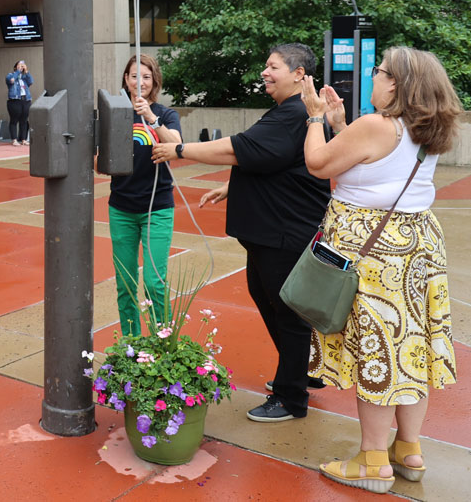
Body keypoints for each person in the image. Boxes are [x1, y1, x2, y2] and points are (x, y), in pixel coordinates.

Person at [298, 47, 460, 493]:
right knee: (411, 347)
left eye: (380, 71)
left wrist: (314, 118)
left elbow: (318, 164)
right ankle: (408, 449)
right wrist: (340, 126)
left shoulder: (377, 125)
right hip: (416, 246)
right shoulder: (425, 129)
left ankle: (372, 460)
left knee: (377, 349)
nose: (374, 76)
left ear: (397, 84)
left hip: (373, 256)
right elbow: (378, 167)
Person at [152, 43, 331, 423]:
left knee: (287, 313)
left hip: (284, 231)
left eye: (273, 67)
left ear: (299, 74)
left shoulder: (294, 113)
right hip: (271, 232)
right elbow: (275, 159)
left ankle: (291, 397)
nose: (265, 72)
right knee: (268, 299)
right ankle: (300, 373)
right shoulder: (288, 112)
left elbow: (241, 148)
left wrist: (181, 149)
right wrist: (233, 187)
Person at [107, 55, 182, 336]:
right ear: (126, 80)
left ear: (155, 82)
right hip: (122, 208)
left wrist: (151, 118)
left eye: (146, 77)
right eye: (134, 76)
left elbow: (177, 145)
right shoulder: (114, 114)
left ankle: (163, 343)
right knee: (125, 283)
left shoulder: (165, 114)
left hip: (157, 208)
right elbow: (99, 161)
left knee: (154, 282)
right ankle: (131, 343)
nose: (140, 82)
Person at [5, 60, 34, 146]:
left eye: (22, 65)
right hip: (14, 100)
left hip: (26, 100)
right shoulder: (10, 75)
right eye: (19, 65)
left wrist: (26, 71)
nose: (21, 67)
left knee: (24, 121)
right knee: (14, 120)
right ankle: (14, 140)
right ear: (15, 67)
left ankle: (23, 139)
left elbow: (31, 81)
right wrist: (17, 71)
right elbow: (11, 81)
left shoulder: (24, 77)